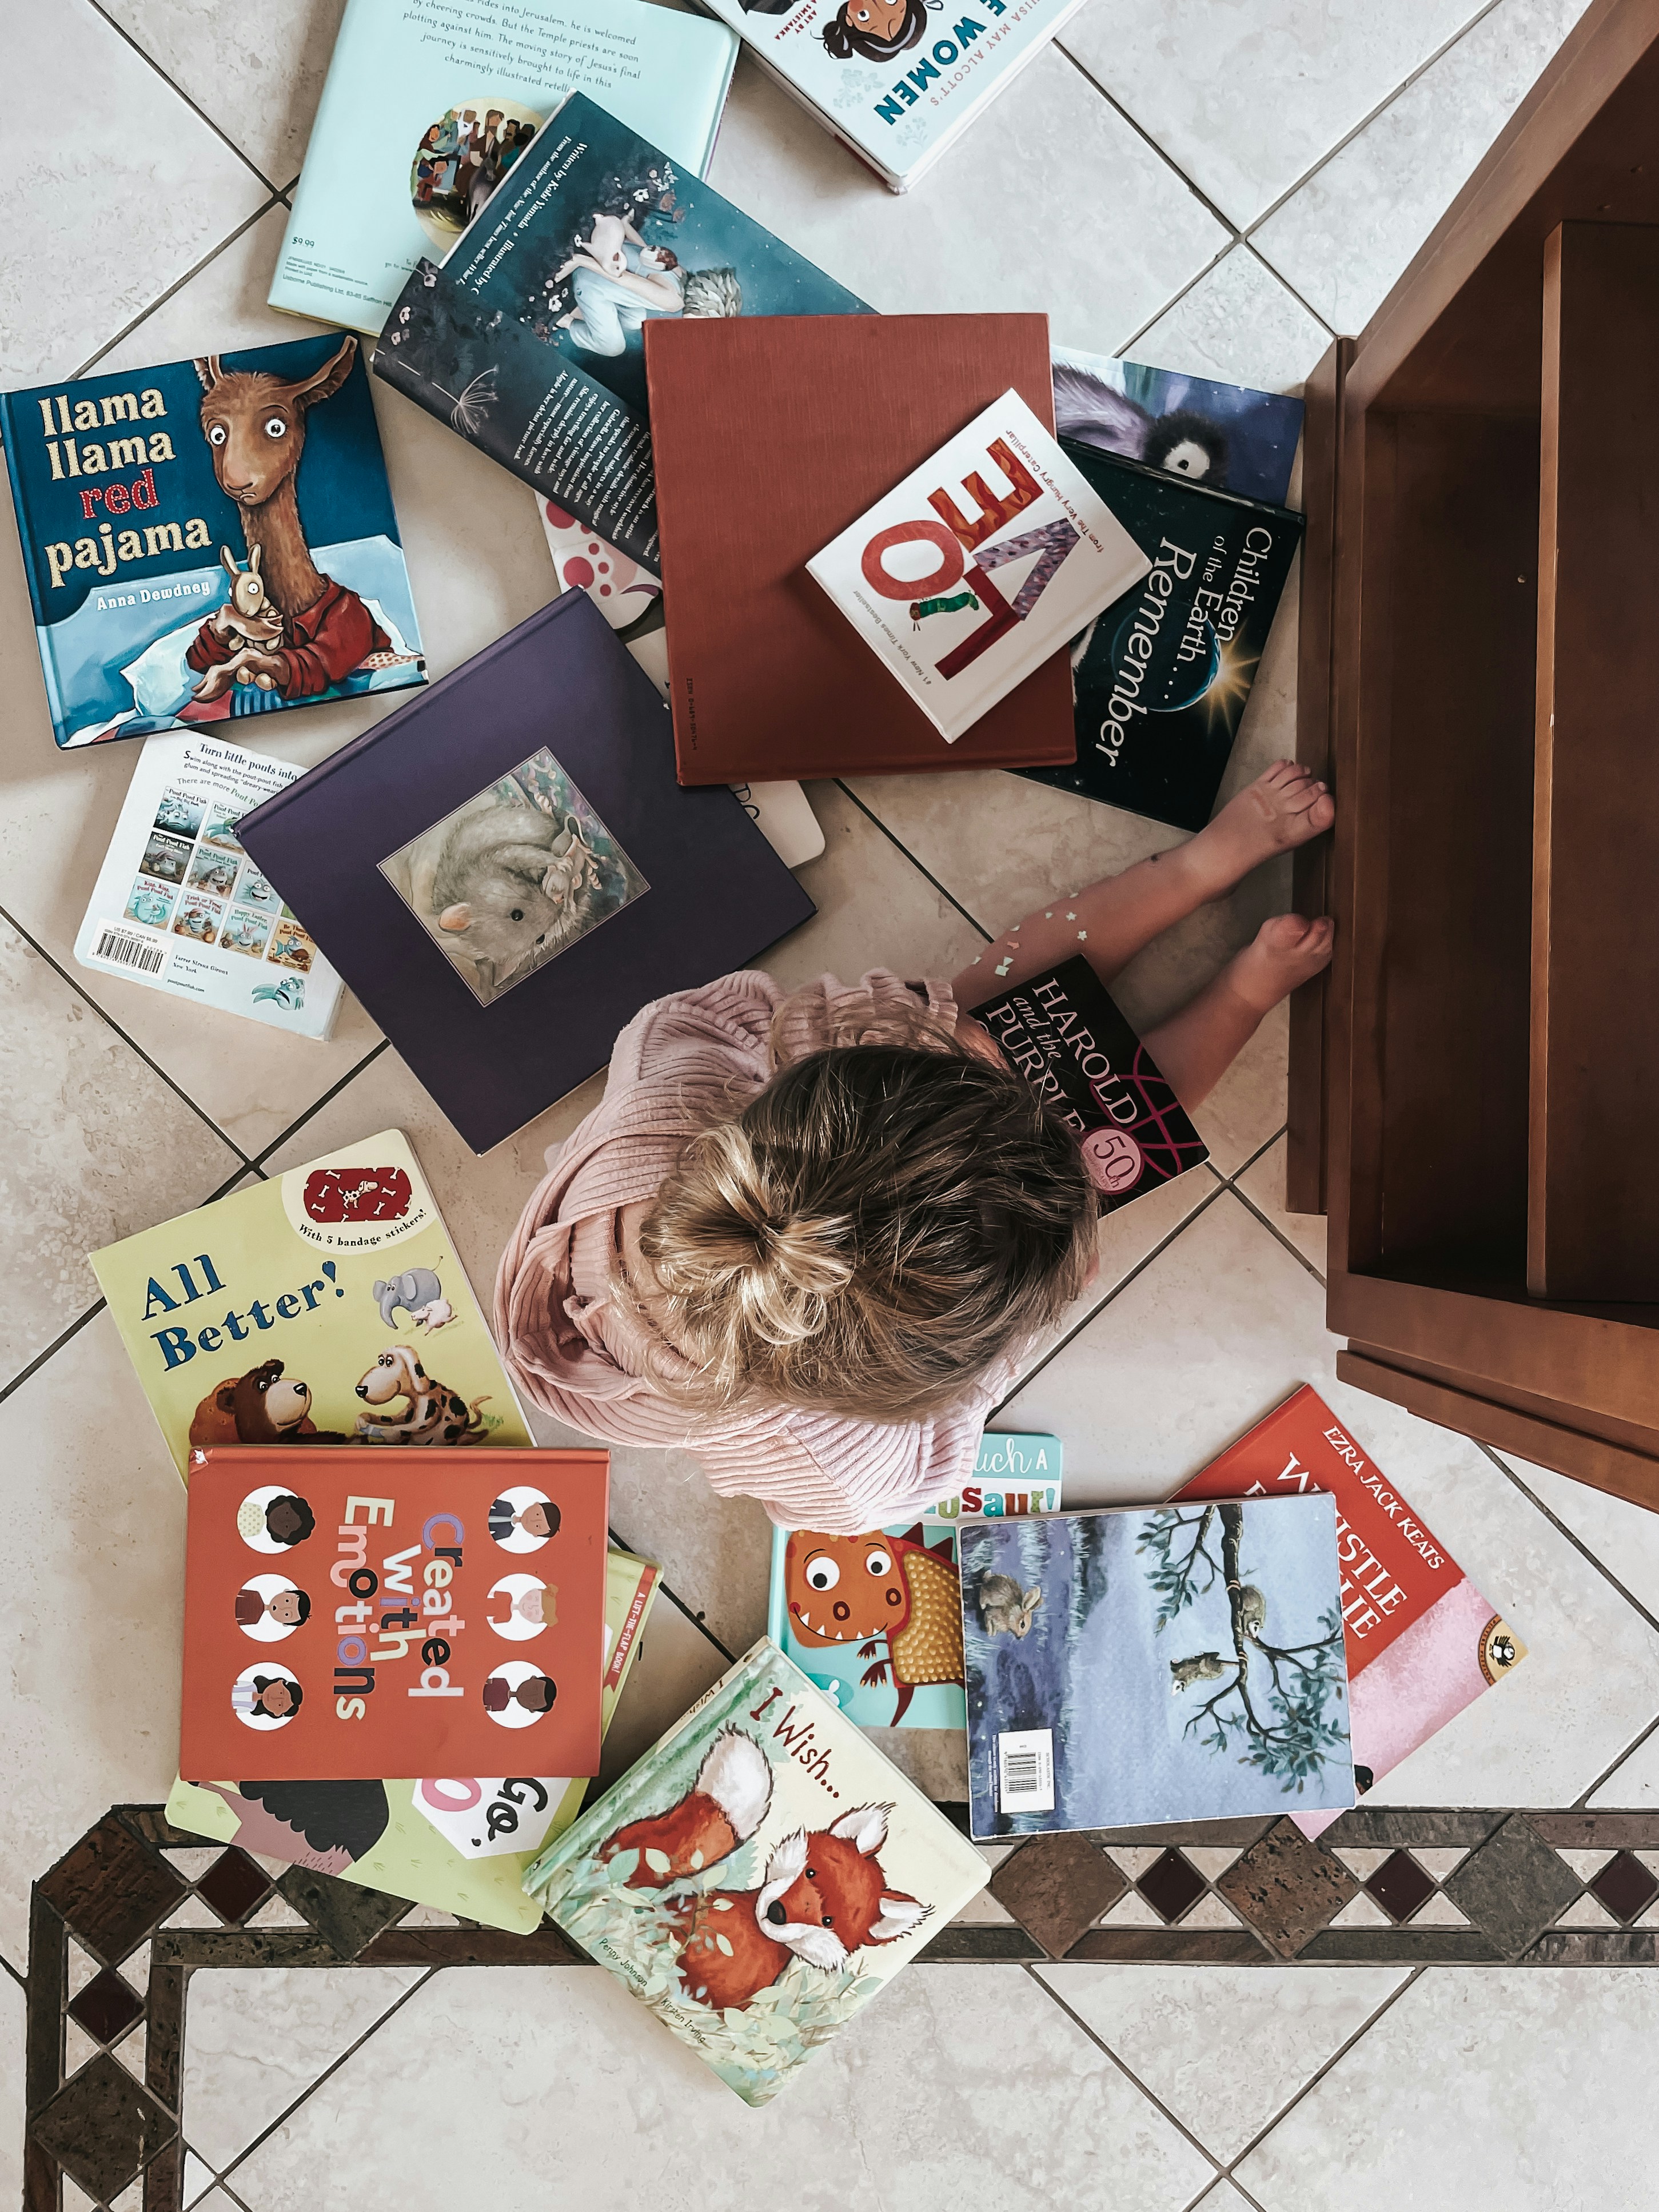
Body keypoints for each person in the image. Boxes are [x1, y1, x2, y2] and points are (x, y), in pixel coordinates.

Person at [495, 763, 1336, 1535]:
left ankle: (1197, 868)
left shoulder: (670, 1079)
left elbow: (710, 1019)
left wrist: (926, 1026)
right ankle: (1241, 994)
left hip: (810, 1158)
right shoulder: (831, 1458)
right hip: (906, 1265)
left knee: (1003, 1014)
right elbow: (929, 1449)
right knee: (1116, 1136)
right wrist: (1006, 1342)